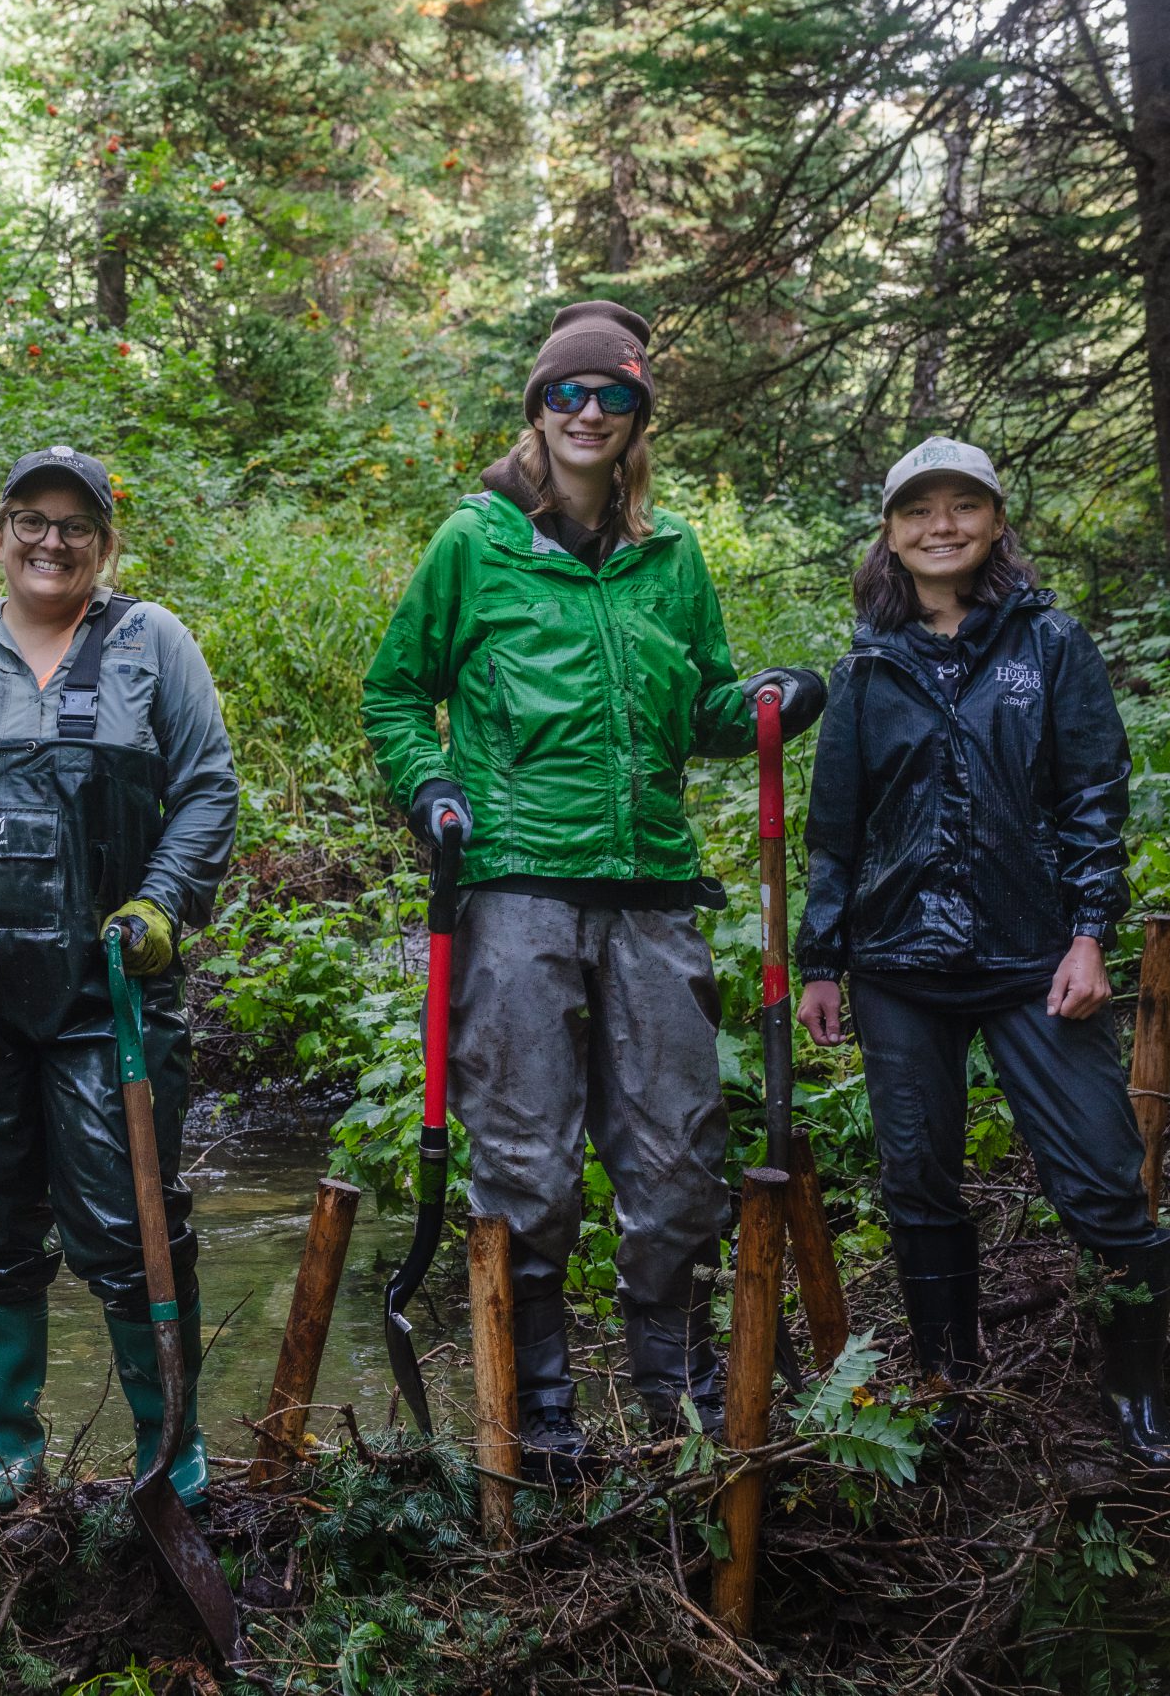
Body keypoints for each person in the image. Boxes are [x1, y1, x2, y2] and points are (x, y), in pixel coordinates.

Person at [360, 301, 825, 1477]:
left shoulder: (672, 557)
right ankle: (543, 1397)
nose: (586, 412)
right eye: (566, 393)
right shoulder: (474, 542)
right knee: (525, 1155)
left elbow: (704, 710)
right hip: (514, 890)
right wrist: (433, 789)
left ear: (635, 419)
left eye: (610, 396)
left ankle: (672, 1379)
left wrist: (762, 706)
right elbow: (392, 696)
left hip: (654, 890)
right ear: (536, 408)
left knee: (677, 1150)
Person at [0, 446, 239, 1515]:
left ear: (104, 544)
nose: (51, 541)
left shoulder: (150, 644)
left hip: (105, 998)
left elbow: (207, 789)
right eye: (31, 518)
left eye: (76, 525)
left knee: (130, 1221)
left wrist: (162, 903)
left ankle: (173, 1446)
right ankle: (8, 1454)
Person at [797, 438, 1170, 1466]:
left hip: (1031, 960)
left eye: (962, 505)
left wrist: (1089, 935)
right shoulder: (865, 669)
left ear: (995, 521)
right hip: (895, 967)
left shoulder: (1052, 645)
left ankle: (1136, 1399)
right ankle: (947, 1385)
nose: (940, 524)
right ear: (889, 532)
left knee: (1103, 1177)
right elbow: (834, 831)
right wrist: (820, 963)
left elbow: (1094, 799)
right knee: (917, 1180)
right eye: (916, 509)